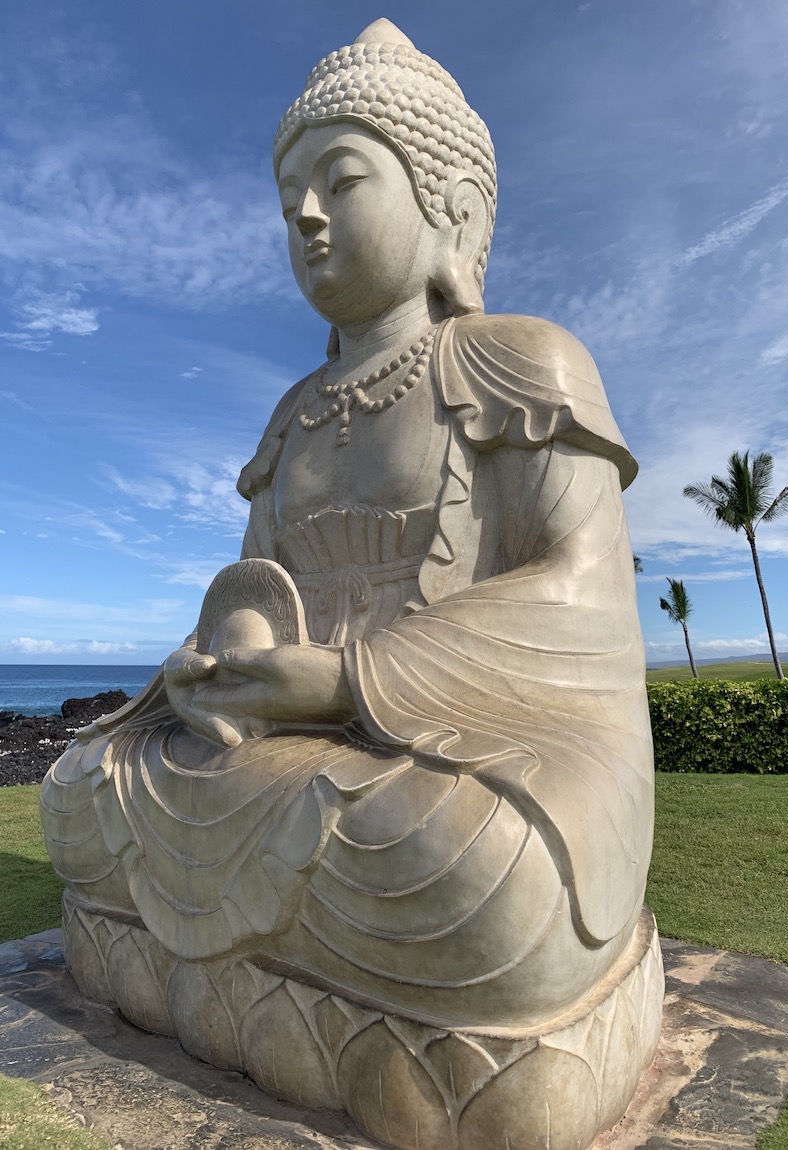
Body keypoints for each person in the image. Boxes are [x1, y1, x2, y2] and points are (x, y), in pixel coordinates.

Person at [41, 20, 661, 1149]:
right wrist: (216, 665)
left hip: (471, 740)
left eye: (340, 180)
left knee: (472, 863)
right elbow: (252, 587)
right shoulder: (292, 418)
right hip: (288, 750)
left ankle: (234, 985)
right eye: (290, 200)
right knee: (83, 783)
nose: (306, 217)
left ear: (449, 211)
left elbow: (585, 594)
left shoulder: (519, 359)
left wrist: (340, 679)